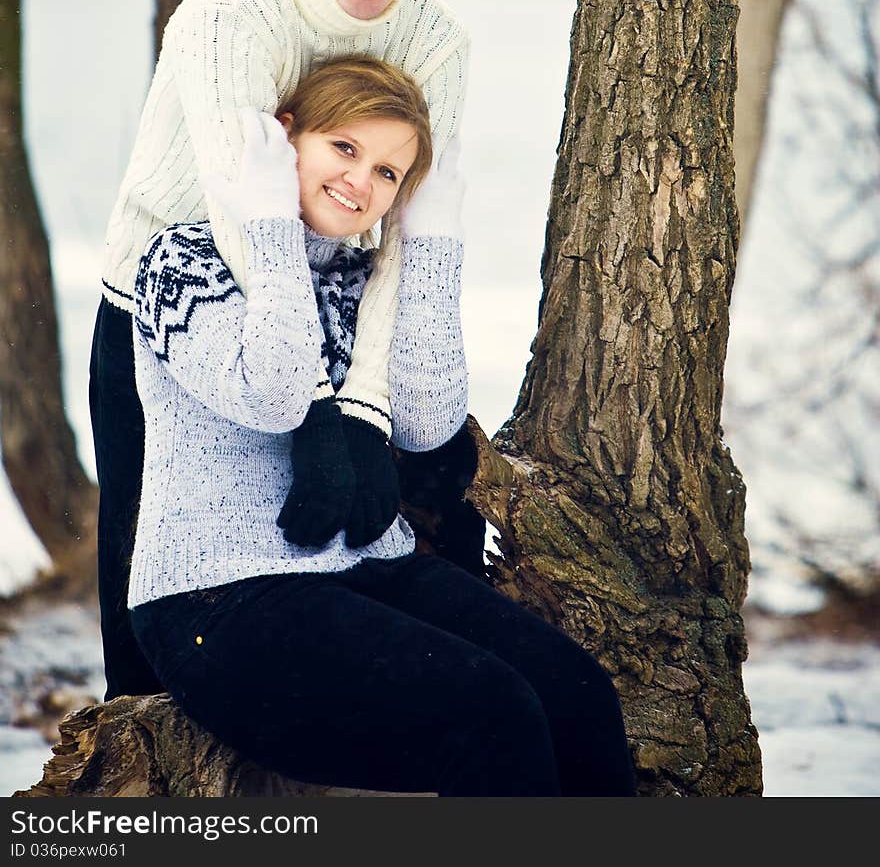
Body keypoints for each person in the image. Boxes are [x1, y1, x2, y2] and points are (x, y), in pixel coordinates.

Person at [129, 57, 636, 797]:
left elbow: (429, 422)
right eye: (344, 148)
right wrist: (268, 220)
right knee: (489, 714)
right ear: (286, 138)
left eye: (390, 174)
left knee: (578, 692)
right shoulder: (184, 260)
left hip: (368, 568)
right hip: (218, 600)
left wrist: (427, 245)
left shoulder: (366, 278)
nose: (361, 183)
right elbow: (274, 395)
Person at [89, 0, 471, 698]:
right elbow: (242, 203)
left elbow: (408, 232)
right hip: (171, 305)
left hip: (331, 309)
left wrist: (367, 409)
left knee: (346, 545)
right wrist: (311, 408)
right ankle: (137, 789)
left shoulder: (439, 44)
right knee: (149, 570)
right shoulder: (238, 3)